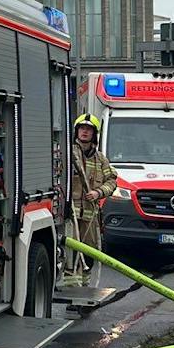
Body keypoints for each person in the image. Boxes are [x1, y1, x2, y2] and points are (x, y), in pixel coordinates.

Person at [63, 114, 118, 287]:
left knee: (88, 254)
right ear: (76, 131)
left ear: (94, 134)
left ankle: (84, 289)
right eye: (81, 128)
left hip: (90, 217)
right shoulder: (69, 153)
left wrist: (98, 192)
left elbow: (112, 181)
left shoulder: (100, 159)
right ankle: (72, 292)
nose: (84, 132)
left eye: (88, 129)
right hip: (70, 215)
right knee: (70, 254)